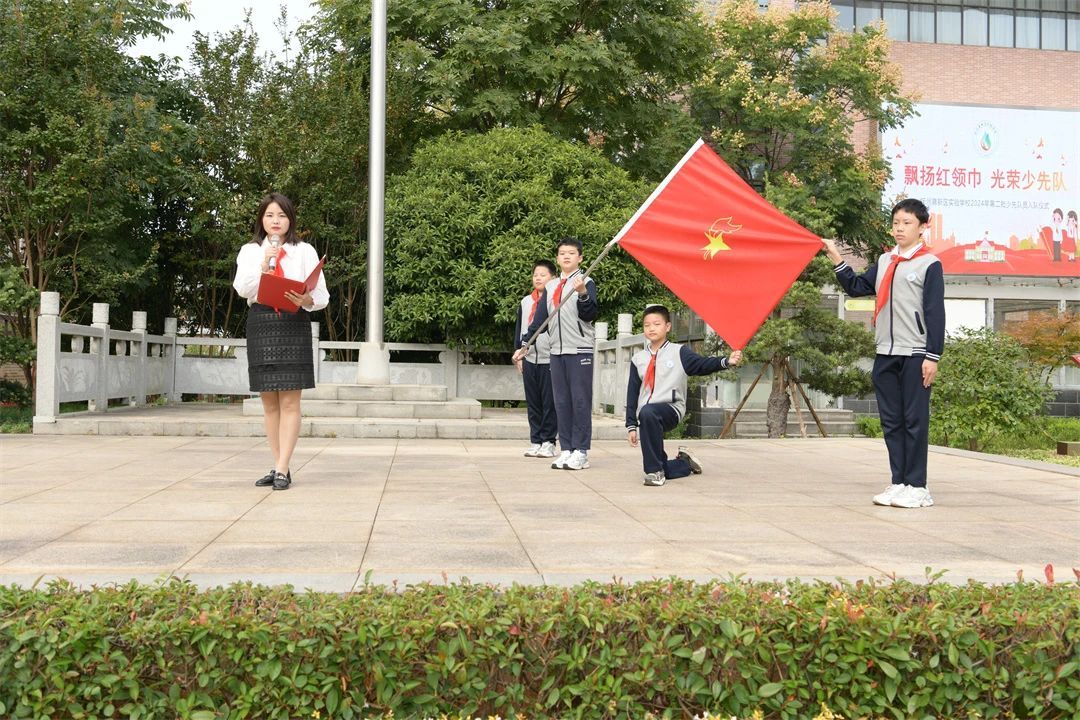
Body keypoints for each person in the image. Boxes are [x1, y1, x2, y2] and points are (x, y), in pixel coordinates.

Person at [822, 198, 944, 509]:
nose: (900, 228)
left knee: (914, 420)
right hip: (886, 353)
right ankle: (899, 482)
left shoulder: (929, 264)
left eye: (907, 223)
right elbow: (858, 286)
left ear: (922, 227)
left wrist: (933, 356)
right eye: (896, 223)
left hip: (916, 353)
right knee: (891, 421)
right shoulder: (886, 261)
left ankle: (918, 486)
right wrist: (835, 255)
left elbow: (934, 313)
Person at [232, 193, 329, 491]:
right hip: (262, 323)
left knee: (289, 401)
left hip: (292, 322)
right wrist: (263, 266)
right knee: (269, 403)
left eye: (282, 216)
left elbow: (322, 297)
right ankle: (277, 465)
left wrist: (307, 299)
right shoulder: (250, 251)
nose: (276, 221)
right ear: (262, 219)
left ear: (290, 220)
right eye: (270, 215)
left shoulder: (305, 250)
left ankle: (283, 468)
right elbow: (242, 289)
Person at [626, 304, 742, 487]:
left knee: (648, 412)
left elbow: (702, 364)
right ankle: (683, 463)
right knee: (647, 414)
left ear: (668, 327)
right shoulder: (638, 359)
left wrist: (726, 361)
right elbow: (632, 393)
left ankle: (654, 472)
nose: (651, 328)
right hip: (647, 414)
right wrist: (631, 425)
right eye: (647, 325)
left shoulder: (678, 352)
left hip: (671, 408)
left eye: (656, 324)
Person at [514, 237, 598, 471]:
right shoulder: (551, 287)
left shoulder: (586, 281)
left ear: (580, 257)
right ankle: (568, 449)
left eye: (571, 253)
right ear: (557, 258)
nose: (567, 256)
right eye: (562, 253)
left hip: (579, 349)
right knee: (561, 402)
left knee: (579, 402)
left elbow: (590, 314)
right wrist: (524, 345)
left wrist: (582, 294)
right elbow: (540, 321)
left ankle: (581, 452)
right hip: (556, 351)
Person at [514, 260, 558, 459]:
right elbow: (520, 330)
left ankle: (549, 441)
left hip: (550, 358)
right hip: (529, 357)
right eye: (535, 275)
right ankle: (536, 441)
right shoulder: (525, 302)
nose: (538, 278)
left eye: (543, 275)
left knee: (549, 403)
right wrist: (519, 354)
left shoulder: (556, 300)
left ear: (553, 278)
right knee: (533, 403)